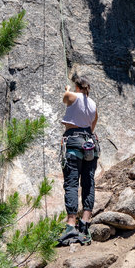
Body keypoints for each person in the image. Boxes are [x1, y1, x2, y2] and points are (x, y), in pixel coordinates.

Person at [58, 76, 99, 246]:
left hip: (74, 141)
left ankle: (71, 224)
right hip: (90, 142)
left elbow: (65, 97)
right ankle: (85, 221)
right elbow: (94, 122)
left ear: (77, 87)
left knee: (72, 183)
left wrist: (68, 89)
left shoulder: (73, 96)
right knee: (88, 182)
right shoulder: (93, 103)